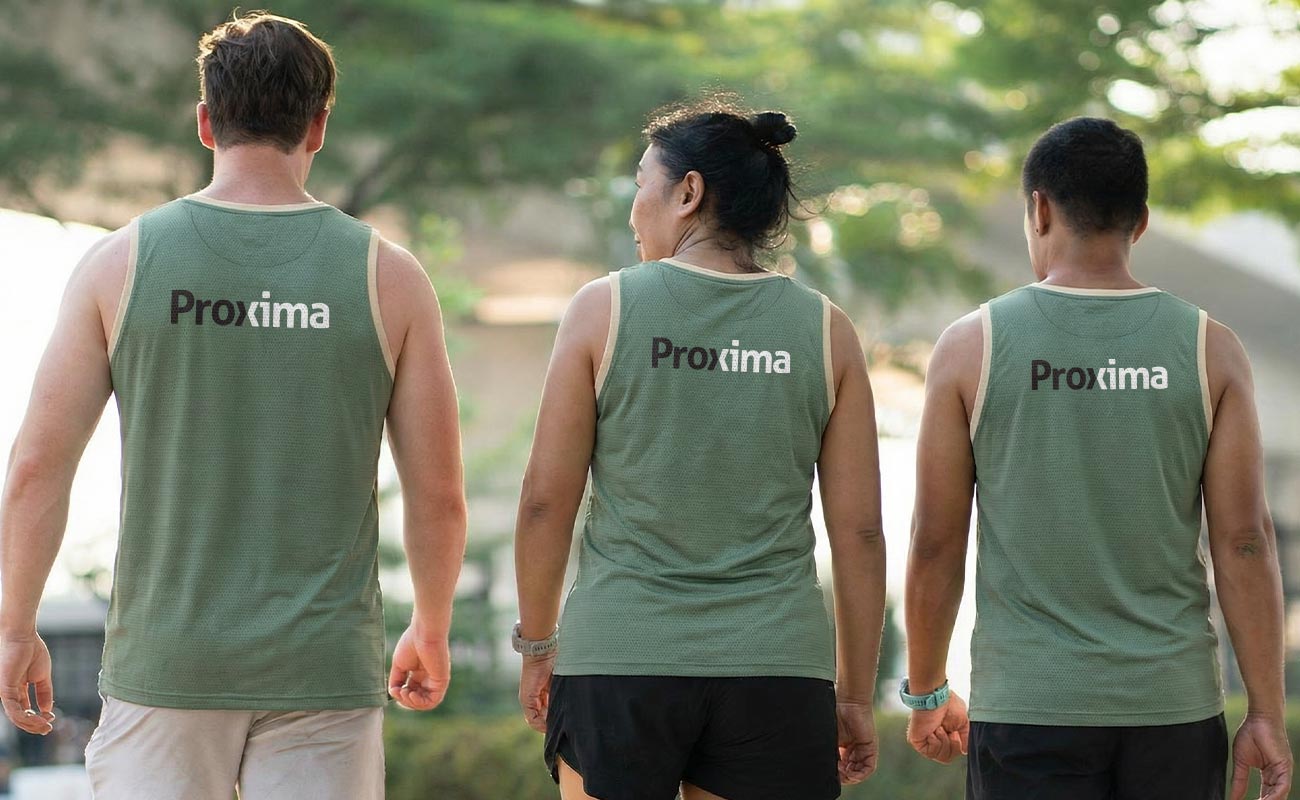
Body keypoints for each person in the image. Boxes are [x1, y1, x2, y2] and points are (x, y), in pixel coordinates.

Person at [0, 12, 467, 799]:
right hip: (323, 668)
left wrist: (15, 627)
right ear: (318, 126)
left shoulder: (119, 264)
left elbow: (38, 466)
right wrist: (432, 625)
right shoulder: (390, 278)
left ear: (206, 122)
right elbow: (439, 493)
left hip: (167, 665)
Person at [903, 116, 1292, 800]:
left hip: (1029, 709)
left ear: (1039, 209)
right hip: (1172, 709)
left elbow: (936, 541)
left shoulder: (971, 346)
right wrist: (1265, 712)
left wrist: (928, 690)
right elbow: (1243, 541)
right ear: (1140, 221)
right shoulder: (1211, 348)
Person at [512, 99, 887, 800]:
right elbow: (860, 532)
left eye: (640, 186)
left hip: (621, 658)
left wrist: (537, 646)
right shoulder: (826, 330)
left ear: (688, 192)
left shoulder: (604, 309)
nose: (633, 212)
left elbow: (543, 503)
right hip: (775, 668)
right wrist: (856, 696)